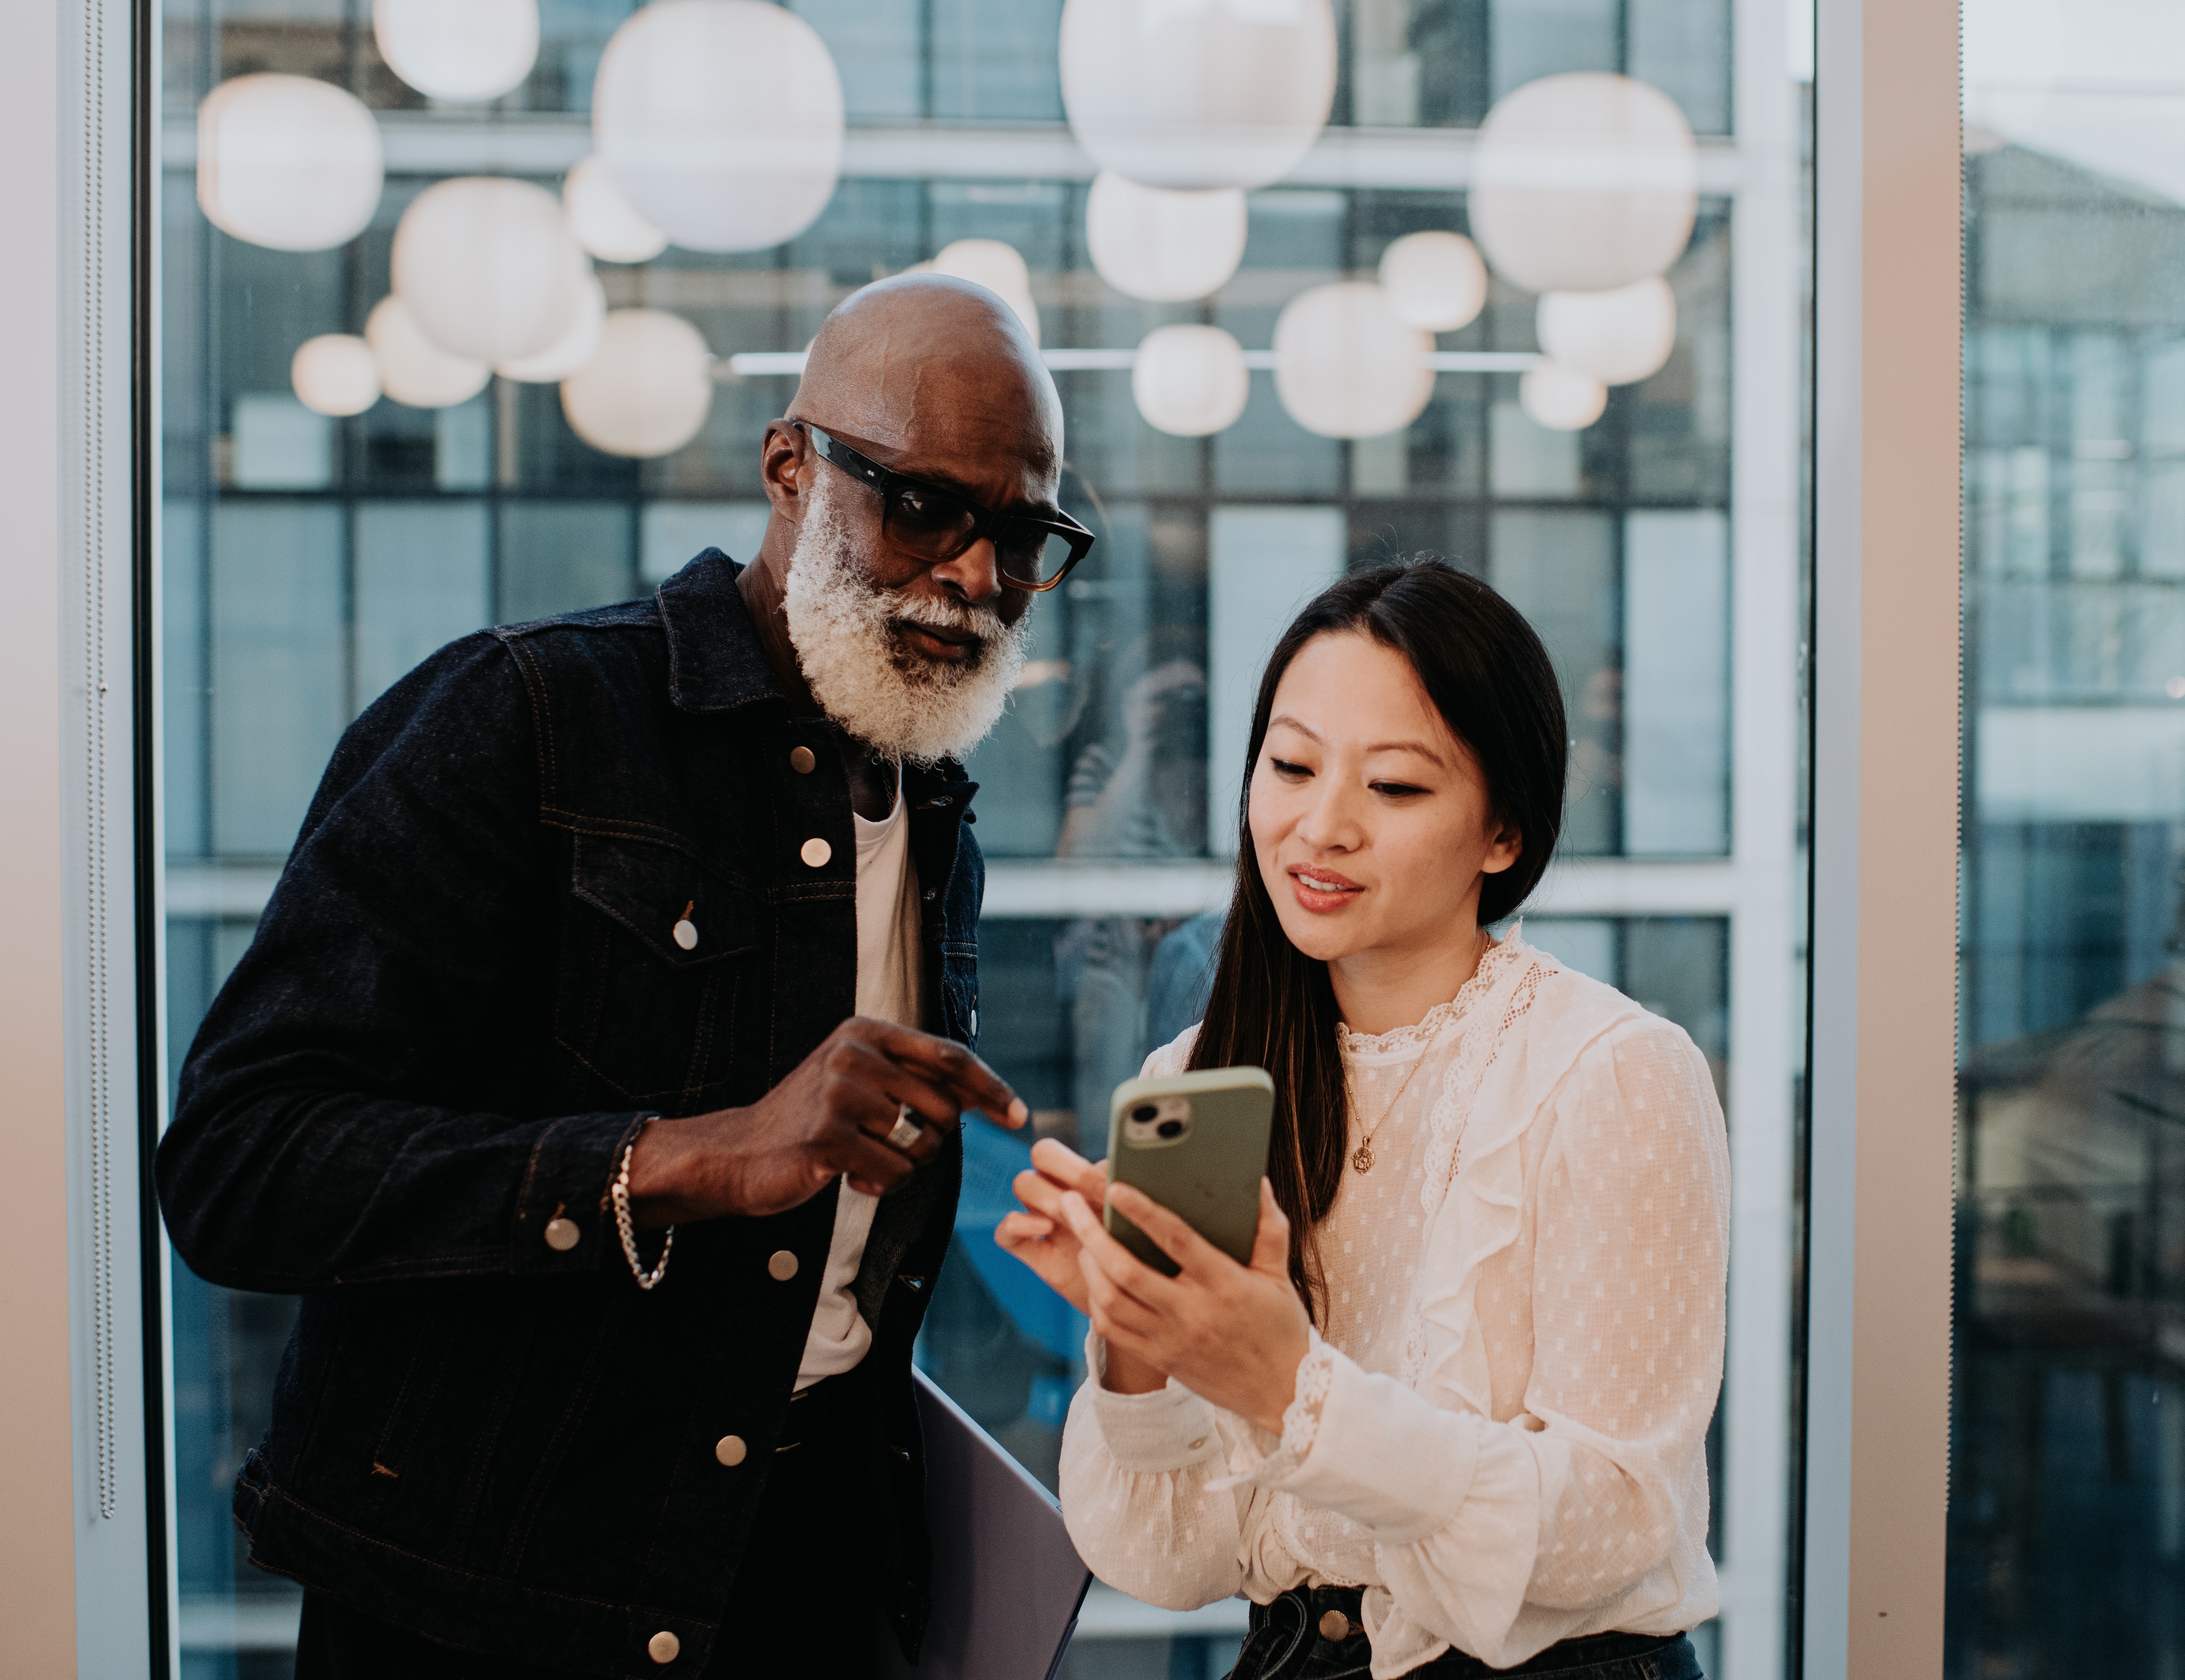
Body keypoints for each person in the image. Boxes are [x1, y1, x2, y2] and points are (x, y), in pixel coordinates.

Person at [156, 274, 1094, 1678]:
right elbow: (240, 1164)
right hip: (493, 1599)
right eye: (919, 506)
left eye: (1022, 533)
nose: (971, 574)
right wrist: (675, 1157)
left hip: (801, 1562)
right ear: (790, 465)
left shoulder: (934, 804)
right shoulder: (524, 713)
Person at [995, 560, 1731, 1680]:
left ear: (1503, 834)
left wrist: (1290, 1389)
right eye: (1290, 765)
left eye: (1393, 788)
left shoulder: (1612, 1074)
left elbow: (1617, 1521)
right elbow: (1166, 1554)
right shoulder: (1205, 1069)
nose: (1319, 825)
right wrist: (1139, 1348)